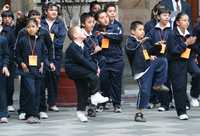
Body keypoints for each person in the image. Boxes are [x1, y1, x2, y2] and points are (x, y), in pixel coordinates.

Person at [125, 21, 169, 122]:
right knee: (144, 91)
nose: (142, 32)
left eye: (143, 29)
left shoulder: (143, 41)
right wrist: (140, 42)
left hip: (148, 66)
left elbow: (148, 51)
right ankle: (139, 113)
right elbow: (130, 50)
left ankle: (158, 84)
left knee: (162, 60)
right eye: (139, 30)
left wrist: (157, 46)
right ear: (132, 31)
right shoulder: (130, 41)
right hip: (140, 71)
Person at [65, 26, 109, 122]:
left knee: (82, 90)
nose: (83, 31)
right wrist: (94, 69)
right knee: (92, 76)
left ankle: (80, 112)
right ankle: (95, 95)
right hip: (73, 69)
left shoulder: (83, 45)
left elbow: (88, 59)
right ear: (76, 35)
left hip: (81, 69)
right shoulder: (73, 47)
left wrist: (96, 67)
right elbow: (82, 60)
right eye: (81, 31)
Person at [15, 18, 48, 124]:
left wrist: (43, 62)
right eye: (28, 27)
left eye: (33, 26)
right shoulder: (22, 40)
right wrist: (21, 63)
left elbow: (43, 53)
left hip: (38, 70)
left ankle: (35, 113)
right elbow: (17, 54)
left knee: (37, 92)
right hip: (27, 71)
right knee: (31, 91)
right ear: (26, 28)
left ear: (38, 28)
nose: (31, 29)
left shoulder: (40, 40)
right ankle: (30, 114)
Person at [93, 3, 124, 113]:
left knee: (116, 83)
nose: (105, 19)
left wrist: (105, 34)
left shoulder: (117, 26)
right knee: (103, 83)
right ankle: (102, 104)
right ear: (97, 20)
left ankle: (117, 104)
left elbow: (119, 37)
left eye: (106, 16)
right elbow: (94, 40)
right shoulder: (96, 28)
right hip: (103, 60)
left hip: (116, 59)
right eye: (102, 17)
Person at [168, 12, 197, 120]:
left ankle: (193, 96)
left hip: (188, 59)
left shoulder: (189, 33)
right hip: (176, 62)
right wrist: (185, 44)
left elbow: (192, 49)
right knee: (179, 86)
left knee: (198, 73)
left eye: (188, 20)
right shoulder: (172, 34)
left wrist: (194, 54)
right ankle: (181, 111)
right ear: (178, 23)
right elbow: (173, 51)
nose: (187, 22)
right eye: (184, 20)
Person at [41, 2, 67, 112]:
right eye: (51, 10)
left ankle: (52, 103)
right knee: (42, 78)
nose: (54, 12)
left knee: (53, 78)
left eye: (56, 10)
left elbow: (60, 42)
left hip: (56, 55)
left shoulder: (60, 23)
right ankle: (41, 103)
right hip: (42, 55)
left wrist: (47, 43)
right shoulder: (41, 22)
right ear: (46, 11)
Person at [0, 10, 16, 112]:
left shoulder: (11, 30)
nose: (7, 19)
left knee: (9, 83)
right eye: (4, 17)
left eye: (9, 17)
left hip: (9, 60)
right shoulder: (4, 30)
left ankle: (9, 103)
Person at [0, 35, 10, 123]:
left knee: (2, 92)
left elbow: (6, 55)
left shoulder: (3, 39)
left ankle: (3, 114)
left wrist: (5, 66)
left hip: (0, 69)